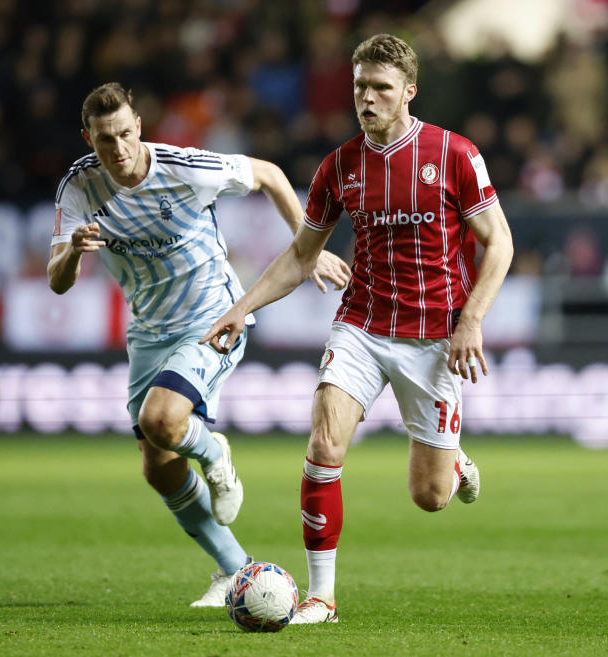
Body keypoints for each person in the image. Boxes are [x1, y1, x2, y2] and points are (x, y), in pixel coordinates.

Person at [202, 34, 514, 623]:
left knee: (429, 497)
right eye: (360, 87)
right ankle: (321, 597)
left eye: (381, 89)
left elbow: (499, 243)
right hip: (363, 325)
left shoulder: (453, 154)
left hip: (434, 337)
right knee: (323, 444)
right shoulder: (339, 166)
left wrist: (471, 318)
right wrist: (244, 307)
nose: (368, 99)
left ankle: (453, 464)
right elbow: (301, 257)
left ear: (409, 93)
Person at [47, 82, 350, 607]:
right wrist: (74, 251)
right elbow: (57, 281)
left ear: (138, 126)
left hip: (213, 317)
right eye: (103, 140)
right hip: (148, 331)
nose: (117, 150)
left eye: (124, 134)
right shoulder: (79, 186)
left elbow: (270, 175)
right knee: (158, 466)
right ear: (87, 138)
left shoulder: (185, 167)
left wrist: (308, 248)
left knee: (161, 420)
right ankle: (235, 570)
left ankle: (215, 452)